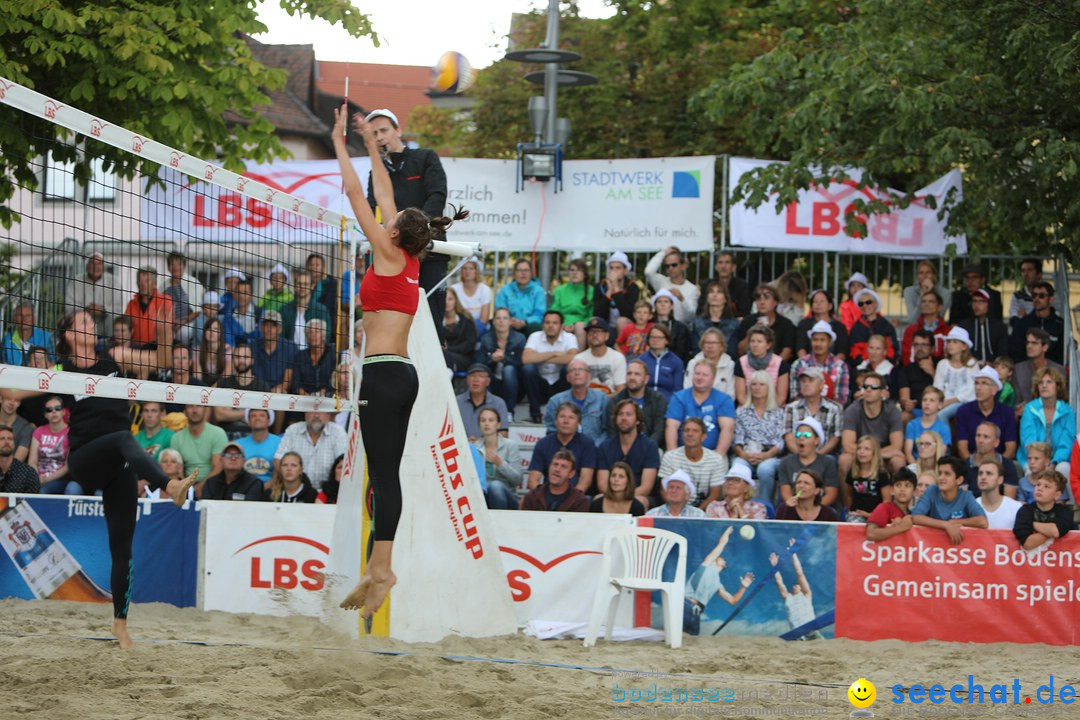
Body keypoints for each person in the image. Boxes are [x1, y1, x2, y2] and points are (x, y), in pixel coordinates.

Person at [334, 104, 467, 618]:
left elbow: (356, 194)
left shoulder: (388, 253)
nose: (384, 220)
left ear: (394, 233)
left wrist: (340, 142)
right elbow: (385, 194)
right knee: (384, 474)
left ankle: (382, 570)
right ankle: (377, 568)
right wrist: (370, 141)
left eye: (389, 223)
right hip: (402, 374)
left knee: (383, 476)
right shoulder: (409, 258)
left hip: (383, 373)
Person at [3, 310, 196, 648]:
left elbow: (163, 359)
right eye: (83, 322)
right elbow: (13, 392)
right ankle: (170, 486)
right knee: (124, 437)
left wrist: (165, 333)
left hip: (120, 465)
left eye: (92, 321)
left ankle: (120, 625)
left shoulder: (115, 358)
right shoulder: (60, 372)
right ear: (68, 335)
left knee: (122, 549)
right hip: (85, 459)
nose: (92, 325)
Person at [682, 526, 753, 636]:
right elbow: (721, 545)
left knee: (692, 644)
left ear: (724, 564)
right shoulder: (706, 565)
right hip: (685, 605)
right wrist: (727, 533)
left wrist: (743, 587)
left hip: (696, 614)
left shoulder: (718, 585)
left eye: (722, 558)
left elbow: (733, 600)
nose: (719, 556)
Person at [839, 372, 905, 479]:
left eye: (874, 387)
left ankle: (893, 495)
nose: (868, 390)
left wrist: (874, 455)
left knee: (898, 461)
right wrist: (870, 454)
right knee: (844, 459)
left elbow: (896, 446)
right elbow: (848, 445)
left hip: (884, 457)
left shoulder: (893, 411)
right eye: (865, 387)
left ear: (883, 392)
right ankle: (848, 497)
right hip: (860, 455)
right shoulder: (852, 410)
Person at [596, 399, 660, 509]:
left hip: (639, 495)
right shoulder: (605, 447)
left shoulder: (650, 446)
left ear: (637, 420)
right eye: (620, 414)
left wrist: (624, 498)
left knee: (640, 502)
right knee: (597, 500)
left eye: (628, 414)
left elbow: (646, 487)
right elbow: (602, 484)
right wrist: (616, 498)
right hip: (611, 494)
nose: (624, 418)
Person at [913, 456, 989, 543]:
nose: (941, 477)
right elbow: (915, 517)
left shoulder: (966, 496)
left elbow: (983, 522)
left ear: (959, 480)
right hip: (931, 549)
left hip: (957, 551)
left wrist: (956, 522)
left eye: (947, 474)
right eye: (940, 473)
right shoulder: (931, 490)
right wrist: (946, 525)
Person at [665, 361, 735, 454]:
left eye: (705, 375)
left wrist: (718, 457)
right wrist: (673, 455)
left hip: (713, 453)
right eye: (697, 374)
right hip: (682, 453)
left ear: (713, 379)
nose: (700, 377)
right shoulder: (679, 397)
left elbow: (727, 429)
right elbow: (671, 426)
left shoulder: (724, 400)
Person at [521, 310, 578, 424]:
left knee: (569, 368)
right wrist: (553, 353)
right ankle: (535, 414)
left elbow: (572, 358)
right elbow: (525, 359)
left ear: (561, 326)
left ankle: (563, 414)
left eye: (555, 323)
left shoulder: (569, 337)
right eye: (547, 323)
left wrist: (539, 357)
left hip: (560, 383)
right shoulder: (535, 336)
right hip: (540, 384)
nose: (551, 326)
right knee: (528, 369)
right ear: (543, 325)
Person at [658, 417, 726, 510]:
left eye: (695, 431)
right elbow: (664, 491)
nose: (690, 434)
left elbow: (715, 494)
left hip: (703, 511)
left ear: (704, 436)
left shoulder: (716, 459)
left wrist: (696, 514)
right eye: (686, 430)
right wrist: (679, 511)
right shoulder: (670, 457)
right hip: (674, 509)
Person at [527, 402, 597, 492]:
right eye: (562, 417)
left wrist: (571, 499)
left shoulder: (587, 443)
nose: (566, 421)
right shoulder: (543, 444)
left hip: (576, 497)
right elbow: (532, 481)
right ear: (555, 421)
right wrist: (544, 497)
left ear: (578, 423)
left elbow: (585, 480)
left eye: (571, 417)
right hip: (547, 497)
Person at [733, 370, 785, 490]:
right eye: (754, 384)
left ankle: (765, 504)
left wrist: (767, 455)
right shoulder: (741, 412)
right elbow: (737, 440)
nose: (757, 388)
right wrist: (743, 454)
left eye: (762, 384)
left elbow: (780, 442)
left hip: (770, 455)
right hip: (746, 454)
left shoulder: (779, 413)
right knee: (737, 467)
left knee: (765, 469)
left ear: (769, 388)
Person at [1017, 367, 1075, 471]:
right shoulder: (1029, 409)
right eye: (1040, 383)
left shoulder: (1068, 412)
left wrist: (1053, 463)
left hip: (1059, 460)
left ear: (1057, 387)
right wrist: (1040, 461)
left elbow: (1067, 443)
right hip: (1032, 458)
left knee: (1064, 468)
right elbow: (1028, 440)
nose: (1044, 385)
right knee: (1031, 470)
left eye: (1049, 382)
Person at [275, 411, 348, 492]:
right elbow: (278, 460)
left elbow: (343, 465)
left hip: (328, 493)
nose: (316, 415)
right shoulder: (293, 430)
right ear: (305, 414)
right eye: (312, 412)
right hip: (297, 491)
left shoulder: (338, 432)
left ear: (328, 415)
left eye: (321, 412)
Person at [955, 367, 1017, 460]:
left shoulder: (1007, 412)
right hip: (971, 464)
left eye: (984, 383)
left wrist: (997, 467)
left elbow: (1010, 448)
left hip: (1000, 465)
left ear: (994, 390)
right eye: (976, 383)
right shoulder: (963, 411)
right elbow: (962, 448)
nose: (978, 387)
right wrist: (973, 466)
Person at [543, 359, 610, 446]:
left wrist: (594, 448)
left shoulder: (602, 398)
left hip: (596, 452)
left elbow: (608, 430)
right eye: (573, 370)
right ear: (567, 377)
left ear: (589, 376)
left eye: (581, 370)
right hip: (565, 453)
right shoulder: (556, 401)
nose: (577, 373)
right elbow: (551, 431)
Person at [777, 417, 840, 508]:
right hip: (794, 507)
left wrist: (812, 508)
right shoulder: (786, 462)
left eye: (806, 435)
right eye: (798, 434)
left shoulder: (828, 463)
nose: (801, 438)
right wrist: (798, 507)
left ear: (816, 440)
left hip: (819, 508)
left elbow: (831, 494)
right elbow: (785, 491)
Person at [781, 368, 843, 457]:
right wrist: (802, 456)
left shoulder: (835, 408)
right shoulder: (791, 408)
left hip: (824, 456)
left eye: (811, 381)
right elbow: (789, 437)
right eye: (803, 381)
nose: (806, 384)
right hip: (795, 456)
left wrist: (815, 457)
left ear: (821, 385)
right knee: (767, 468)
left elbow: (835, 438)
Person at [769, 540, 823, 639]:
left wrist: (793, 554)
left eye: (798, 585)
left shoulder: (806, 594)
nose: (795, 585)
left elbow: (799, 573)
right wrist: (775, 567)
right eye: (794, 585)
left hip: (812, 632)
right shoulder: (788, 598)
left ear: (801, 588)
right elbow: (779, 581)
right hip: (798, 636)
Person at [475, 307, 526, 412]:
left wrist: (504, 358)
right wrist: (491, 359)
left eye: (505, 318)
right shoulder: (486, 339)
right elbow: (477, 364)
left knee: (509, 370)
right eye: (498, 318)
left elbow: (522, 363)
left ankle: (509, 412)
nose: (501, 321)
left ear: (511, 321)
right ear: (493, 322)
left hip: (516, 384)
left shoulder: (520, 338)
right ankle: (485, 410)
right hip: (494, 383)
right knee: (483, 373)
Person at [213, 343, 269, 437]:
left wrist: (230, 412)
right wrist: (248, 412)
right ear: (233, 359)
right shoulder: (224, 383)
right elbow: (219, 415)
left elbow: (264, 419)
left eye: (245, 357)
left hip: (253, 435)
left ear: (252, 360)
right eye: (238, 357)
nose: (241, 361)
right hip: (225, 434)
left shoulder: (262, 387)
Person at [169, 405, 228, 494]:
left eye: (199, 406)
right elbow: (176, 469)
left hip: (214, 484)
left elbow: (218, 467)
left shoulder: (218, 433)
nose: (195, 410)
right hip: (186, 485)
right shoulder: (176, 438)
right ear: (184, 412)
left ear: (205, 410)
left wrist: (200, 487)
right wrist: (185, 487)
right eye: (190, 407)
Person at [65, 251, 123, 339]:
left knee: (114, 318)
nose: (96, 266)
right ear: (87, 266)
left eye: (99, 263)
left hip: (106, 322)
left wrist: (103, 309)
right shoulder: (76, 281)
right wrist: (87, 309)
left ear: (103, 267)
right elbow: (68, 307)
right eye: (92, 263)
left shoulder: (114, 282)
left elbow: (118, 308)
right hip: (83, 322)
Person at [609, 359, 668, 446]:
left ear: (646, 379)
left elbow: (659, 430)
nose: (632, 377)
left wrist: (646, 448)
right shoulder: (615, 401)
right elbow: (612, 431)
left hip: (650, 448)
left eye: (637, 374)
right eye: (629, 374)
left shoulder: (658, 399)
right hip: (621, 447)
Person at [1013, 470, 1075, 551]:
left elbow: (1056, 531)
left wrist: (1032, 524)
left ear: (1057, 495)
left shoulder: (1065, 511)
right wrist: (1049, 531)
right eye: (1038, 484)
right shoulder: (1025, 510)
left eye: (1046, 486)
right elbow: (1028, 544)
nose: (1040, 489)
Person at [472, 407, 521, 510]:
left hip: (508, 497)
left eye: (491, 420)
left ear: (498, 424)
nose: (486, 424)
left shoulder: (510, 446)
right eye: (483, 420)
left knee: (495, 486)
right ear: (479, 425)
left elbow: (518, 480)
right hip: (482, 496)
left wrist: (500, 464)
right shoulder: (474, 448)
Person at [791, 320, 850, 405]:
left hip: (831, 413)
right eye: (815, 340)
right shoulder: (799, 364)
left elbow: (840, 399)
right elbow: (795, 397)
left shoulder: (840, 366)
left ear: (830, 343)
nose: (818, 344)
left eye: (822, 340)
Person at [735, 285, 796, 362]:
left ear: (775, 302)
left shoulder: (785, 324)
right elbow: (740, 351)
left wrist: (773, 367)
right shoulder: (748, 321)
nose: (762, 302)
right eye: (758, 299)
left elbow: (787, 352)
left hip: (776, 367)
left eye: (766, 298)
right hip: (750, 365)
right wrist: (753, 330)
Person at [733, 324, 790, 406]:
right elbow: (741, 396)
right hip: (748, 408)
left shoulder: (780, 363)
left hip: (774, 408)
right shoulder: (741, 362)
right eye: (752, 341)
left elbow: (781, 397)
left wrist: (767, 411)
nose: (755, 345)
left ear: (768, 345)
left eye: (759, 342)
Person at [29, 397, 77, 495]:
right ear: (45, 415)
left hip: (60, 479)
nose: (54, 412)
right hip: (38, 477)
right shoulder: (39, 431)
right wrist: (36, 476)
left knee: (43, 491)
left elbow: (67, 466)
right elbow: (32, 461)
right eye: (49, 410)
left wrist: (46, 479)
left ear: (63, 412)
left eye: (57, 408)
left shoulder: (71, 433)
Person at [1009, 281, 1064, 364]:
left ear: (1051, 299)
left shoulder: (1060, 324)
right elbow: (1016, 352)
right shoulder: (1022, 323)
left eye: (1041, 296)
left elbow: (1061, 354)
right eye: (1034, 295)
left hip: (1053, 372)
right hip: (1027, 370)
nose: (1036, 299)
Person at [519, 449, 590, 512]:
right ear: (549, 467)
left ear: (571, 474)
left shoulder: (579, 501)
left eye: (563, 467)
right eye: (555, 464)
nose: (557, 469)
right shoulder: (532, 497)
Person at [962, 421, 1020, 498]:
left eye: (986, 437)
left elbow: (1009, 501)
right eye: (978, 436)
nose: (980, 440)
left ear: (996, 442)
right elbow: (963, 500)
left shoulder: (1007, 466)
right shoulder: (963, 466)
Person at [933, 326, 979, 422]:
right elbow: (937, 388)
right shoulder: (942, 364)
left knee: (942, 415)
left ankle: (945, 438)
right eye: (949, 342)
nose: (950, 345)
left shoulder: (972, 364)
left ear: (964, 346)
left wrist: (950, 401)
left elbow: (972, 390)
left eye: (955, 342)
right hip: (944, 402)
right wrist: (940, 402)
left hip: (966, 402)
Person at [843, 436, 893, 522]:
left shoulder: (881, 474)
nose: (862, 452)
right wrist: (849, 510)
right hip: (856, 514)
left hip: (876, 514)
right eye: (859, 448)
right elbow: (849, 495)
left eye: (867, 449)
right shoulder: (853, 472)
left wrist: (872, 515)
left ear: (874, 453)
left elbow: (886, 500)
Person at [644, 246, 699, 324]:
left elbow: (690, 316)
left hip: (681, 329)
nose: (670, 268)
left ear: (683, 266)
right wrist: (663, 253)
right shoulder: (661, 281)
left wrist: (682, 299)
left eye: (674, 265)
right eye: (667, 266)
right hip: (661, 326)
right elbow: (648, 272)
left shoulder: (692, 289)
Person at [1013, 329, 1065, 409]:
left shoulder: (1058, 370)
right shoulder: (1018, 369)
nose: (1029, 346)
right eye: (1027, 343)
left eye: (1034, 343)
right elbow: (1016, 400)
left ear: (1045, 347)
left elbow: (1062, 399)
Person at [549, 257, 594, 348]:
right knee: (553, 323)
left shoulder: (591, 291)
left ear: (584, 274)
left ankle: (578, 357)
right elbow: (555, 310)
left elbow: (591, 314)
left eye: (579, 270)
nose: (575, 273)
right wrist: (563, 324)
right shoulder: (559, 290)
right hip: (562, 323)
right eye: (572, 270)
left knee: (580, 326)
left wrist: (574, 325)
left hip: (581, 325)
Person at [457, 364, 511, 441]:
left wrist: (480, 443)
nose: (476, 380)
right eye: (472, 376)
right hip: (461, 448)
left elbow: (503, 433)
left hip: (489, 449)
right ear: (467, 379)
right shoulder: (456, 402)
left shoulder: (498, 403)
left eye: (481, 376)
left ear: (488, 381)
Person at [280, 271, 331, 351]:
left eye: (305, 284)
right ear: (294, 286)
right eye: (299, 284)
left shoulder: (321, 310)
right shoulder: (285, 310)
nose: (302, 287)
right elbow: (281, 337)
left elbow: (326, 336)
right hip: (289, 356)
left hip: (312, 357)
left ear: (312, 286)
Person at [896, 329, 939, 423]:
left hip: (938, 409)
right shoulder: (906, 370)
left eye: (924, 345)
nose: (919, 348)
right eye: (916, 345)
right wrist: (906, 403)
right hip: (917, 409)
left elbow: (947, 390)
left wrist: (932, 372)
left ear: (932, 348)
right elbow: (904, 397)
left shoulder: (941, 364)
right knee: (903, 417)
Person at [574, 317, 626, 394]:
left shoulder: (618, 358)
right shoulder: (578, 359)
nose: (594, 335)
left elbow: (620, 391)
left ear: (607, 335)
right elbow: (576, 390)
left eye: (598, 331)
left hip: (610, 402)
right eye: (591, 332)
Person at [847, 288, 898, 368]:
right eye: (861, 304)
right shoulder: (855, 329)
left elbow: (892, 351)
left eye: (868, 302)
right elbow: (853, 353)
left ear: (875, 304)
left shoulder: (887, 326)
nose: (865, 306)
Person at [124, 266, 173, 348]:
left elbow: (167, 328)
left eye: (147, 281)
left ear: (155, 284)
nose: (142, 284)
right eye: (140, 281)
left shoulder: (165, 301)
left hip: (157, 349)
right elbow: (126, 328)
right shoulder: (131, 304)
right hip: (135, 350)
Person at [162, 251, 203, 347]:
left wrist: (183, 322)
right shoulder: (163, 286)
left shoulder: (193, 283)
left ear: (184, 267)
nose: (176, 267)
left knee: (184, 333)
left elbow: (198, 311)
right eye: (172, 264)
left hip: (188, 323)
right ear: (168, 267)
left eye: (179, 264)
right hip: (168, 324)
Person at [496, 258, 546, 336]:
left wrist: (525, 322)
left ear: (531, 273)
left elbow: (539, 313)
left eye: (526, 270)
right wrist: (511, 320)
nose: (523, 273)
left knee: (535, 326)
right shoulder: (505, 290)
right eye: (520, 270)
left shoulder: (538, 290)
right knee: (497, 324)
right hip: (510, 324)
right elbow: (500, 309)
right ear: (514, 273)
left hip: (530, 325)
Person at [593, 251, 640, 333]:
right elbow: (597, 313)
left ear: (625, 271)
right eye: (611, 268)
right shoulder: (600, 286)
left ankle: (620, 345)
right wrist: (609, 291)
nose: (614, 271)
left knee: (621, 321)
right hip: (605, 326)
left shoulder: (633, 287)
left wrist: (616, 288)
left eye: (618, 268)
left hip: (626, 326)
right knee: (594, 321)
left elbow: (628, 313)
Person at [957, 289, 1008, 365]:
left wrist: (992, 365)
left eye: (981, 301)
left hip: (994, 370)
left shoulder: (1000, 327)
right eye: (974, 301)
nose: (976, 305)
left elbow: (1003, 355)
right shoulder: (963, 327)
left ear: (989, 304)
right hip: (969, 368)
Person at [200, 441, 265, 501]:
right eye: (228, 455)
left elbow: (251, 509)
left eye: (238, 455)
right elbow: (206, 507)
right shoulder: (210, 483)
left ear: (244, 461)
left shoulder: (254, 483)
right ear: (221, 460)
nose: (233, 458)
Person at [252, 311, 295, 400]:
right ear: (261, 327)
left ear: (279, 329)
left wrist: (272, 394)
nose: (269, 329)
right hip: (256, 394)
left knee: (280, 397)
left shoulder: (291, 348)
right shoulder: (251, 347)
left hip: (279, 395)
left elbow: (287, 381)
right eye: (266, 325)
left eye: (273, 325)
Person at [900, 290, 950, 365]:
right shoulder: (911, 330)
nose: (926, 304)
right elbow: (906, 355)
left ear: (939, 307)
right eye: (923, 301)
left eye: (931, 301)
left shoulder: (948, 331)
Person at [865, 468, 916, 542]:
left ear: (914, 491)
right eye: (898, 485)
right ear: (892, 490)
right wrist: (901, 527)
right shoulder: (885, 508)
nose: (902, 489)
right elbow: (871, 533)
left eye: (907, 486)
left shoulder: (913, 513)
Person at [637, 323, 685, 401]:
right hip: (644, 402)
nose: (655, 340)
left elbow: (677, 390)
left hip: (667, 402)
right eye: (652, 337)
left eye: (659, 337)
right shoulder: (641, 360)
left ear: (666, 340)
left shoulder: (676, 362)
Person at [684, 328, 735, 399]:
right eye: (707, 343)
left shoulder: (730, 365)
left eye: (714, 343)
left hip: (721, 407)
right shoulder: (693, 363)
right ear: (702, 345)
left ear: (721, 346)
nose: (710, 346)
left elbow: (730, 395)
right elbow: (687, 389)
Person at [903, 387, 951, 463]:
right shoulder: (912, 425)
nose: (927, 403)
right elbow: (908, 453)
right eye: (924, 400)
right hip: (915, 465)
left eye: (932, 400)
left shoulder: (944, 428)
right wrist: (916, 469)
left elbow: (941, 455)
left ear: (940, 405)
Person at [289, 319, 335, 396]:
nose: (313, 335)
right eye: (310, 332)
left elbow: (335, 380)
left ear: (323, 335)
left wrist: (324, 392)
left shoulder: (333, 354)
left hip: (328, 398)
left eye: (317, 331)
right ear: (306, 337)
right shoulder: (300, 357)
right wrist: (304, 394)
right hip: (304, 400)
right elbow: (295, 384)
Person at [700, 250, 752, 317]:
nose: (723, 266)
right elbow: (700, 310)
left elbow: (745, 311)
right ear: (716, 267)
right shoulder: (707, 285)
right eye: (720, 262)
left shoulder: (741, 285)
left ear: (733, 267)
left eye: (727, 262)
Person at [974, 459, 1024, 529]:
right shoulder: (970, 508)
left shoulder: (1016, 508)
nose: (983, 477)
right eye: (980, 473)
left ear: (1000, 480)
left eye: (989, 473)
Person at [235, 408, 280, 485]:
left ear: (269, 421)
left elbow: (280, 474)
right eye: (253, 416)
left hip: (270, 490)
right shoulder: (238, 444)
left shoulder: (280, 443)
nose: (257, 418)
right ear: (248, 421)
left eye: (262, 415)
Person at [3, 302, 55, 366]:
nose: (24, 319)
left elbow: (57, 365)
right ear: (15, 319)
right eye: (20, 315)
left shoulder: (47, 338)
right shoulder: (7, 340)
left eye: (28, 315)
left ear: (34, 319)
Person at [692, 281, 739, 352]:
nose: (714, 295)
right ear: (707, 297)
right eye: (711, 292)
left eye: (719, 292)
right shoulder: (697, 322)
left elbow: (732, 351)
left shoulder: (734, 323)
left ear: (725, 299)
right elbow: (695, 349)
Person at [902, 260, 952, 326]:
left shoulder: (945, 293)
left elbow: (939, 317)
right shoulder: (909, 291)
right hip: (916, 330)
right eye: (921, 273)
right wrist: (922, 296)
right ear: (917, 277)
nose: (924, 276)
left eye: (928, 272)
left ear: (934, 276)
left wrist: (930, 292)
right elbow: (912, 320)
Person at [449, 256, 491, 333]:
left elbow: (484, 319)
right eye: (464, 268)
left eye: (471, 268)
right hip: (458, 328)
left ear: (476, 271)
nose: (467, 271)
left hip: (479, 329)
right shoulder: (454, 289)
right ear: (461, 271)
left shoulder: (485, 289)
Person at [650, 288, 693, 363]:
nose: (662, 304)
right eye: (659, 302)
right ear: (655, 306)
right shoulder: (649, 325)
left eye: (666, 302)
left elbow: (682, 352)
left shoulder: (680, 328)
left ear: (672, 306)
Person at [441, 287, 477, 372]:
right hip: (441, 355)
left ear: (455, 301)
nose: (447, 302)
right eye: (444, 299)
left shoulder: (466, 320)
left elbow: (469, 345)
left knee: (445, 356)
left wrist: (448, 349)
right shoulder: (436, 321)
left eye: (450, 299)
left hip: (462, 358)